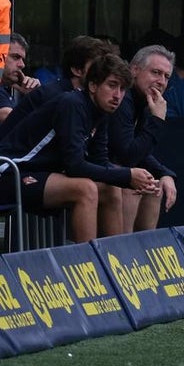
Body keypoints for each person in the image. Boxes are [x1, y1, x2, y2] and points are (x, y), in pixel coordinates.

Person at [0, 54, 159, 242]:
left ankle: (114, 261)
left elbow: (99, 161)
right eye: (112, 85)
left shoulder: (101, 112)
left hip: (41, 175)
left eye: (123, 89)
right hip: (11, 172)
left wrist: (132, 180)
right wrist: (128, 176)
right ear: (92, 86)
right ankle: (87, 265)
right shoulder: (72, 104)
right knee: (85, 189)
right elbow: (75, 165)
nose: (118, 95)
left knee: (111, 189)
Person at [108, 45, 178, 231]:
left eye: (166, 76)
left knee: (154, 187)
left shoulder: (145, 102)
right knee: (134, 184)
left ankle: (144, 252)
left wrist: (164, 173)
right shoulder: (122, 98)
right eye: (156, 72)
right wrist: (157, 120)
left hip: (113, 165)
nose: (161, 81)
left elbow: (139, 151)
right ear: (134, 70)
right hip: (92, 165)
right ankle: (124, 252)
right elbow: (127, 155)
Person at [0, 33, 41, 123]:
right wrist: (35, 97)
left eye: (22, 59)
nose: (22, 65)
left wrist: (32, 94)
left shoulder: (6, 89)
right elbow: (9, 118)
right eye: (16, 57)